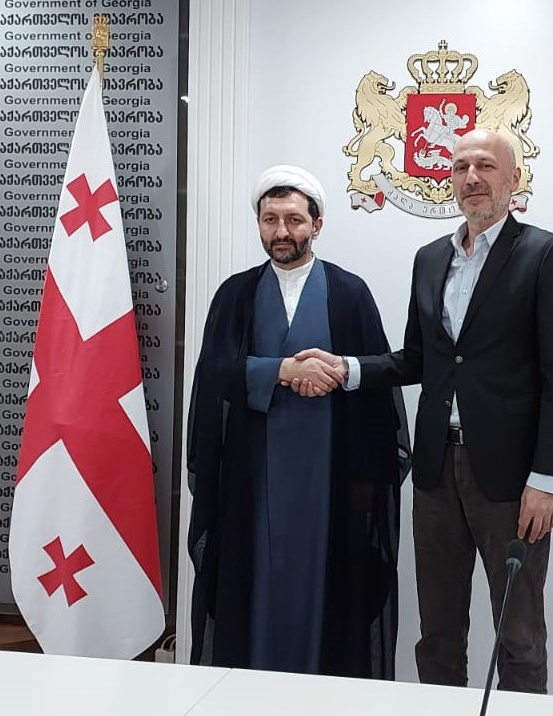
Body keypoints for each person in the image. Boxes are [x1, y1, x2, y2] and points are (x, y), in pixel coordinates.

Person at [294, 130, 553, 693]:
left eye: (486, 166)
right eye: (460, 167)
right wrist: (347, 367)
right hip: (433, 473)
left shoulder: (545, 254)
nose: (472, 178)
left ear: (514, 179)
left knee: (519, 637)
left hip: (511, 480)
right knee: (438, 634)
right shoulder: (430, 259)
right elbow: (417, 359)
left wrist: (546, 480)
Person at [186, 165, 411, 678]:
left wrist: (336, 373)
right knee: (252, 591)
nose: (281, 231)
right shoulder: (235, 294)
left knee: (329, 597)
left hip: (330, 482)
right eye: (270, 220)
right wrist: (283, 371)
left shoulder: (349, 293)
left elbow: (378, 385)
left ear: (317, 225)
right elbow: (214, 375)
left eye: (293, 219)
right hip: (251, 480)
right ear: (259, 225)